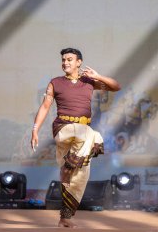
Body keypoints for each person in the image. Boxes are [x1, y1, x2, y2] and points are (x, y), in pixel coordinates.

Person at [31, 48, 121, 228]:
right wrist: (35, 129)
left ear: (79, 62)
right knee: (91, 134)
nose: (65, 63)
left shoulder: (89, 81)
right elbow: (45, 107)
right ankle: (78, 156)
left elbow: (116, 86)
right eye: (63, 60)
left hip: (81, 132)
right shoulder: (55, 83)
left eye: (69, 59)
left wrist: (99, 77)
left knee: (78, 176)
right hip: (63, 129)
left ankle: (66, 215)